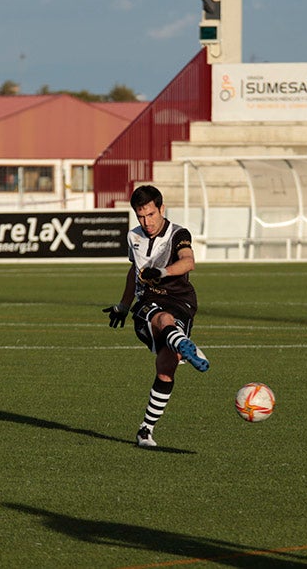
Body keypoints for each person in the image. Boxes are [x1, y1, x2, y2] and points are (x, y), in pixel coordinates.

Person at [103, 184, 209, 448]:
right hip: (148, 304)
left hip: (181, 301)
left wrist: (161, 272)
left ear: (161, 209)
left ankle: (145, 431)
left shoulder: (178, 234)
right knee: (163, 320)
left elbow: (188, 262)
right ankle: (184, 343)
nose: (146, 222)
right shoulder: (133, 237)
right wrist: (124, 305)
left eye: (150, 214)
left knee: (166, 367)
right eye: (140, 216)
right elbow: (133, 271)